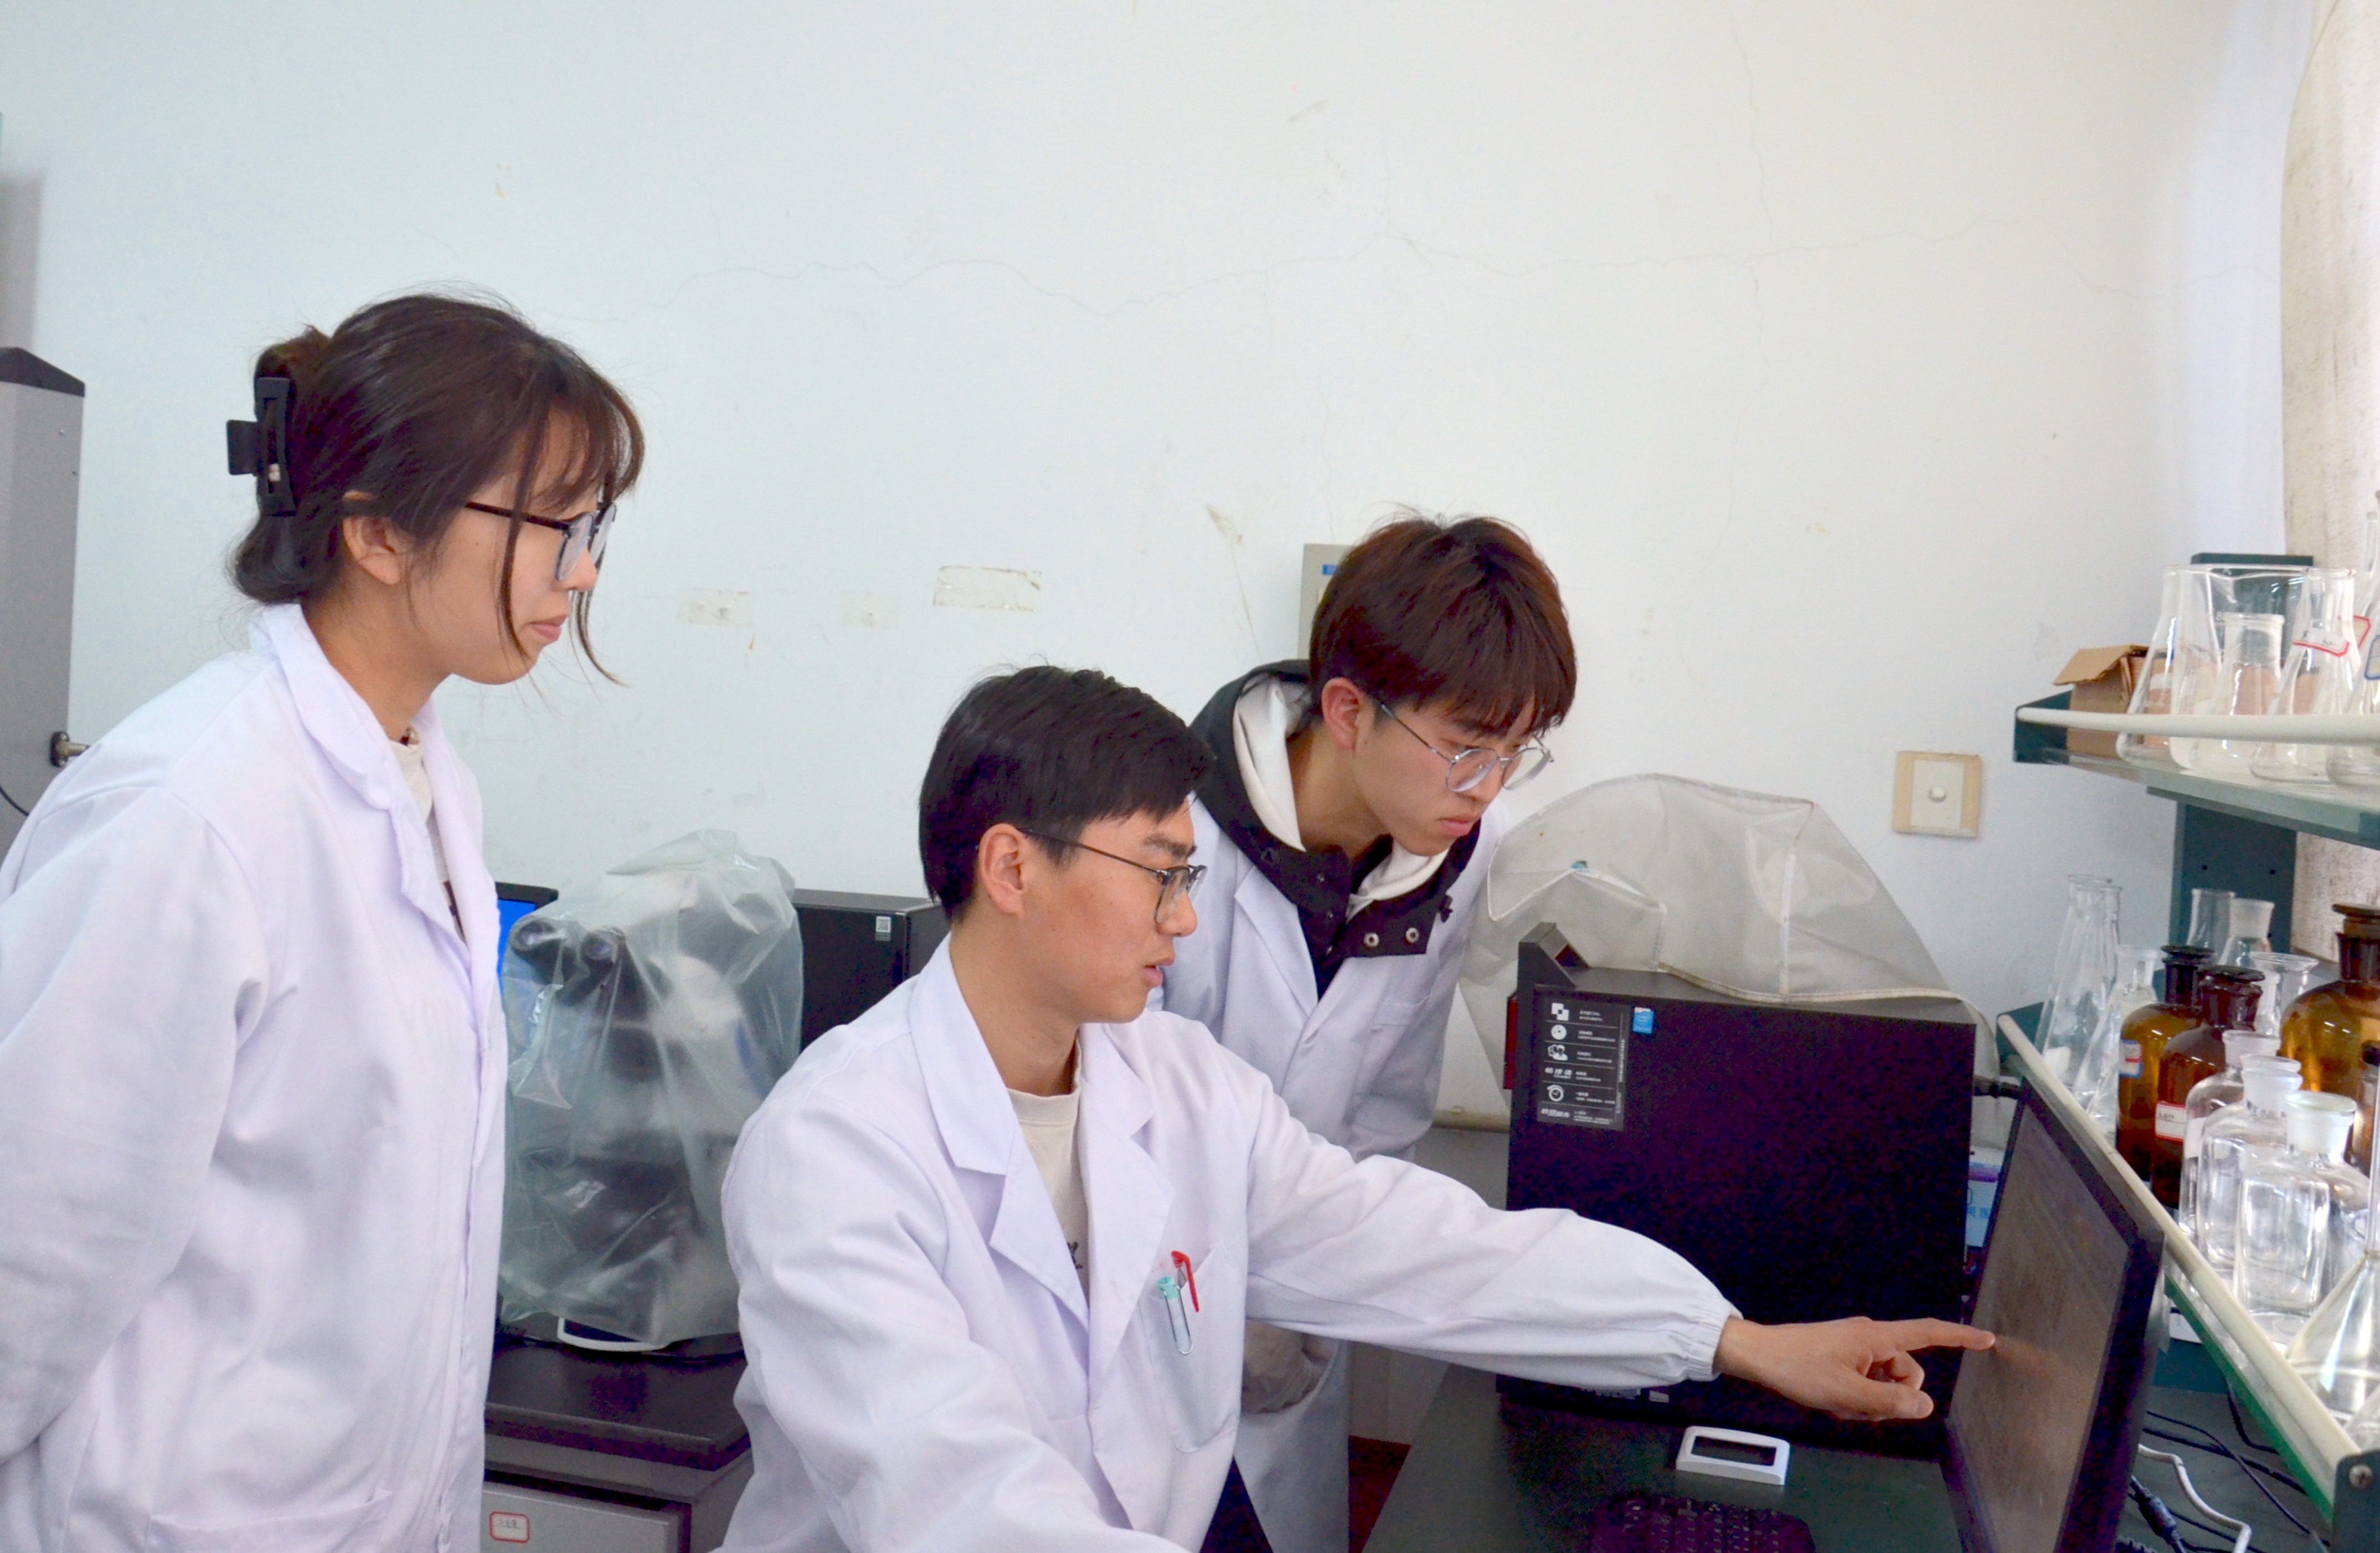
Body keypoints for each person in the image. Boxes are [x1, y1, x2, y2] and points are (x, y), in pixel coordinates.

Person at [718, 665, 1989, 1552]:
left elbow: (1425, 1248)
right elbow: (962, 1506)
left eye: (1190, 875)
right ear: (1011, 865)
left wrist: (1732, 1339)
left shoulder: (1176, 1082)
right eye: (1160, 874)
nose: (1184, 918)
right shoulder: (833, 1152)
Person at [0, 293, 642, 1551]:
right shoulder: (188, 812)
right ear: (380, 533)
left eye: (594, 526)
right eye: (553, 525)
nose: (581, 571)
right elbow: (35, 1254)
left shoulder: (426, 783)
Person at [1160, 512, 1568, 1553]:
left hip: (1297, 1328)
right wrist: (1208, 1295)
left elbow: (1386, 1108)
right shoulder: (1164, 826)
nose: (1487, 789)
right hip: (1141, 1319)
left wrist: (1305, 1297)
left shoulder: (1461, 849)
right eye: (1464, 750)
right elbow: (1101, 1124)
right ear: (1347, 711)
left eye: (1515, 752)